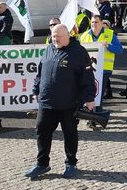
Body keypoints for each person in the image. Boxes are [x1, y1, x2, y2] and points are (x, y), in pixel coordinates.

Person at [26, 24, 95, 179]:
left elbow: (88, 78)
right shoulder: (49, 49)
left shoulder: (79, 52)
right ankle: (42, 164)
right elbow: (40, 73)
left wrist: (90, 98)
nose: (55, 39)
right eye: (53, 36)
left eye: (58, 37)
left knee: (69, 133)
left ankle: (71, 163)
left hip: (68, 103)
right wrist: (36, 90)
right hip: (46, 101)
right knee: (42, 131)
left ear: (68, 36)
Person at [79, 14, 123, 110]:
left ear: (101, 23)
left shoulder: (110, 34)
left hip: (104, 70)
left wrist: (108, 45)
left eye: (96, 22)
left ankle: (95, 116)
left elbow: (120, 50)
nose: (94, 24)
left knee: (98, 94)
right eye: (92, 22)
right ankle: (91, 116)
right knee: (88, 93)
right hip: (88, 69)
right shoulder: (84, 36)